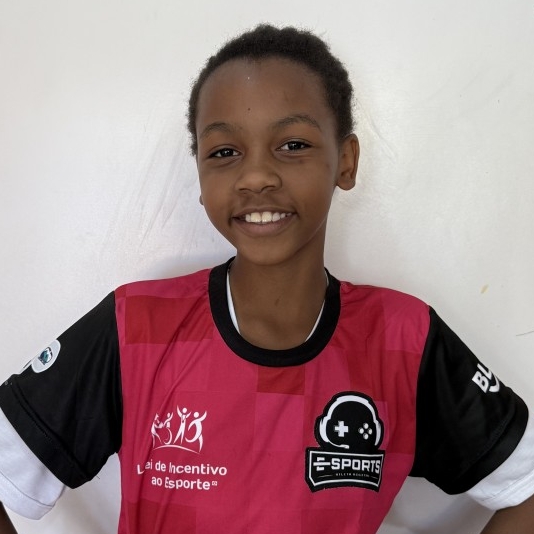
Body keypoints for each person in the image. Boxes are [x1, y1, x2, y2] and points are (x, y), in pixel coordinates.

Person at [0, 24, 533, 534]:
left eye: (293, 144)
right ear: (200, 175)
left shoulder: (404, 339)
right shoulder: (135, 326)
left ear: (346, 162)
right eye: (224, 152)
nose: (256, 176)